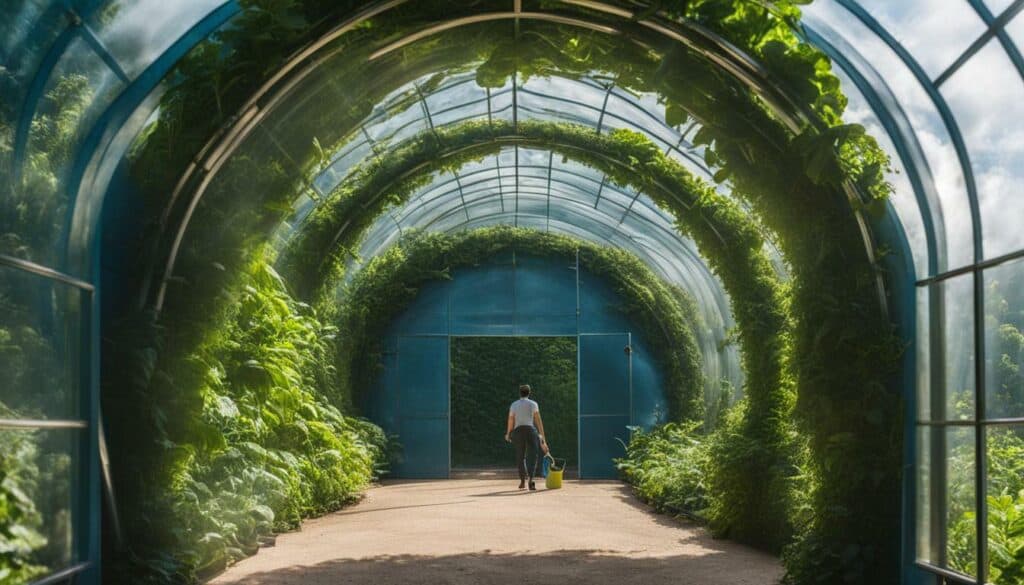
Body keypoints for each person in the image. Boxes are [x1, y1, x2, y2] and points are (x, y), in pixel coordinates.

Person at [504, 384, 549, 490]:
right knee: (533, 456)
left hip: (518, 431)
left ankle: (523, 481)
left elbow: (511, 420)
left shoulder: (514, 404)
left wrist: (508, 433)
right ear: (529, 393)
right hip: (530, 430)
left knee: (520, 456)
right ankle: (531, 480)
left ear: (520, 393)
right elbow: (538, 420)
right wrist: (543, 437)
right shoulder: (533, 404)